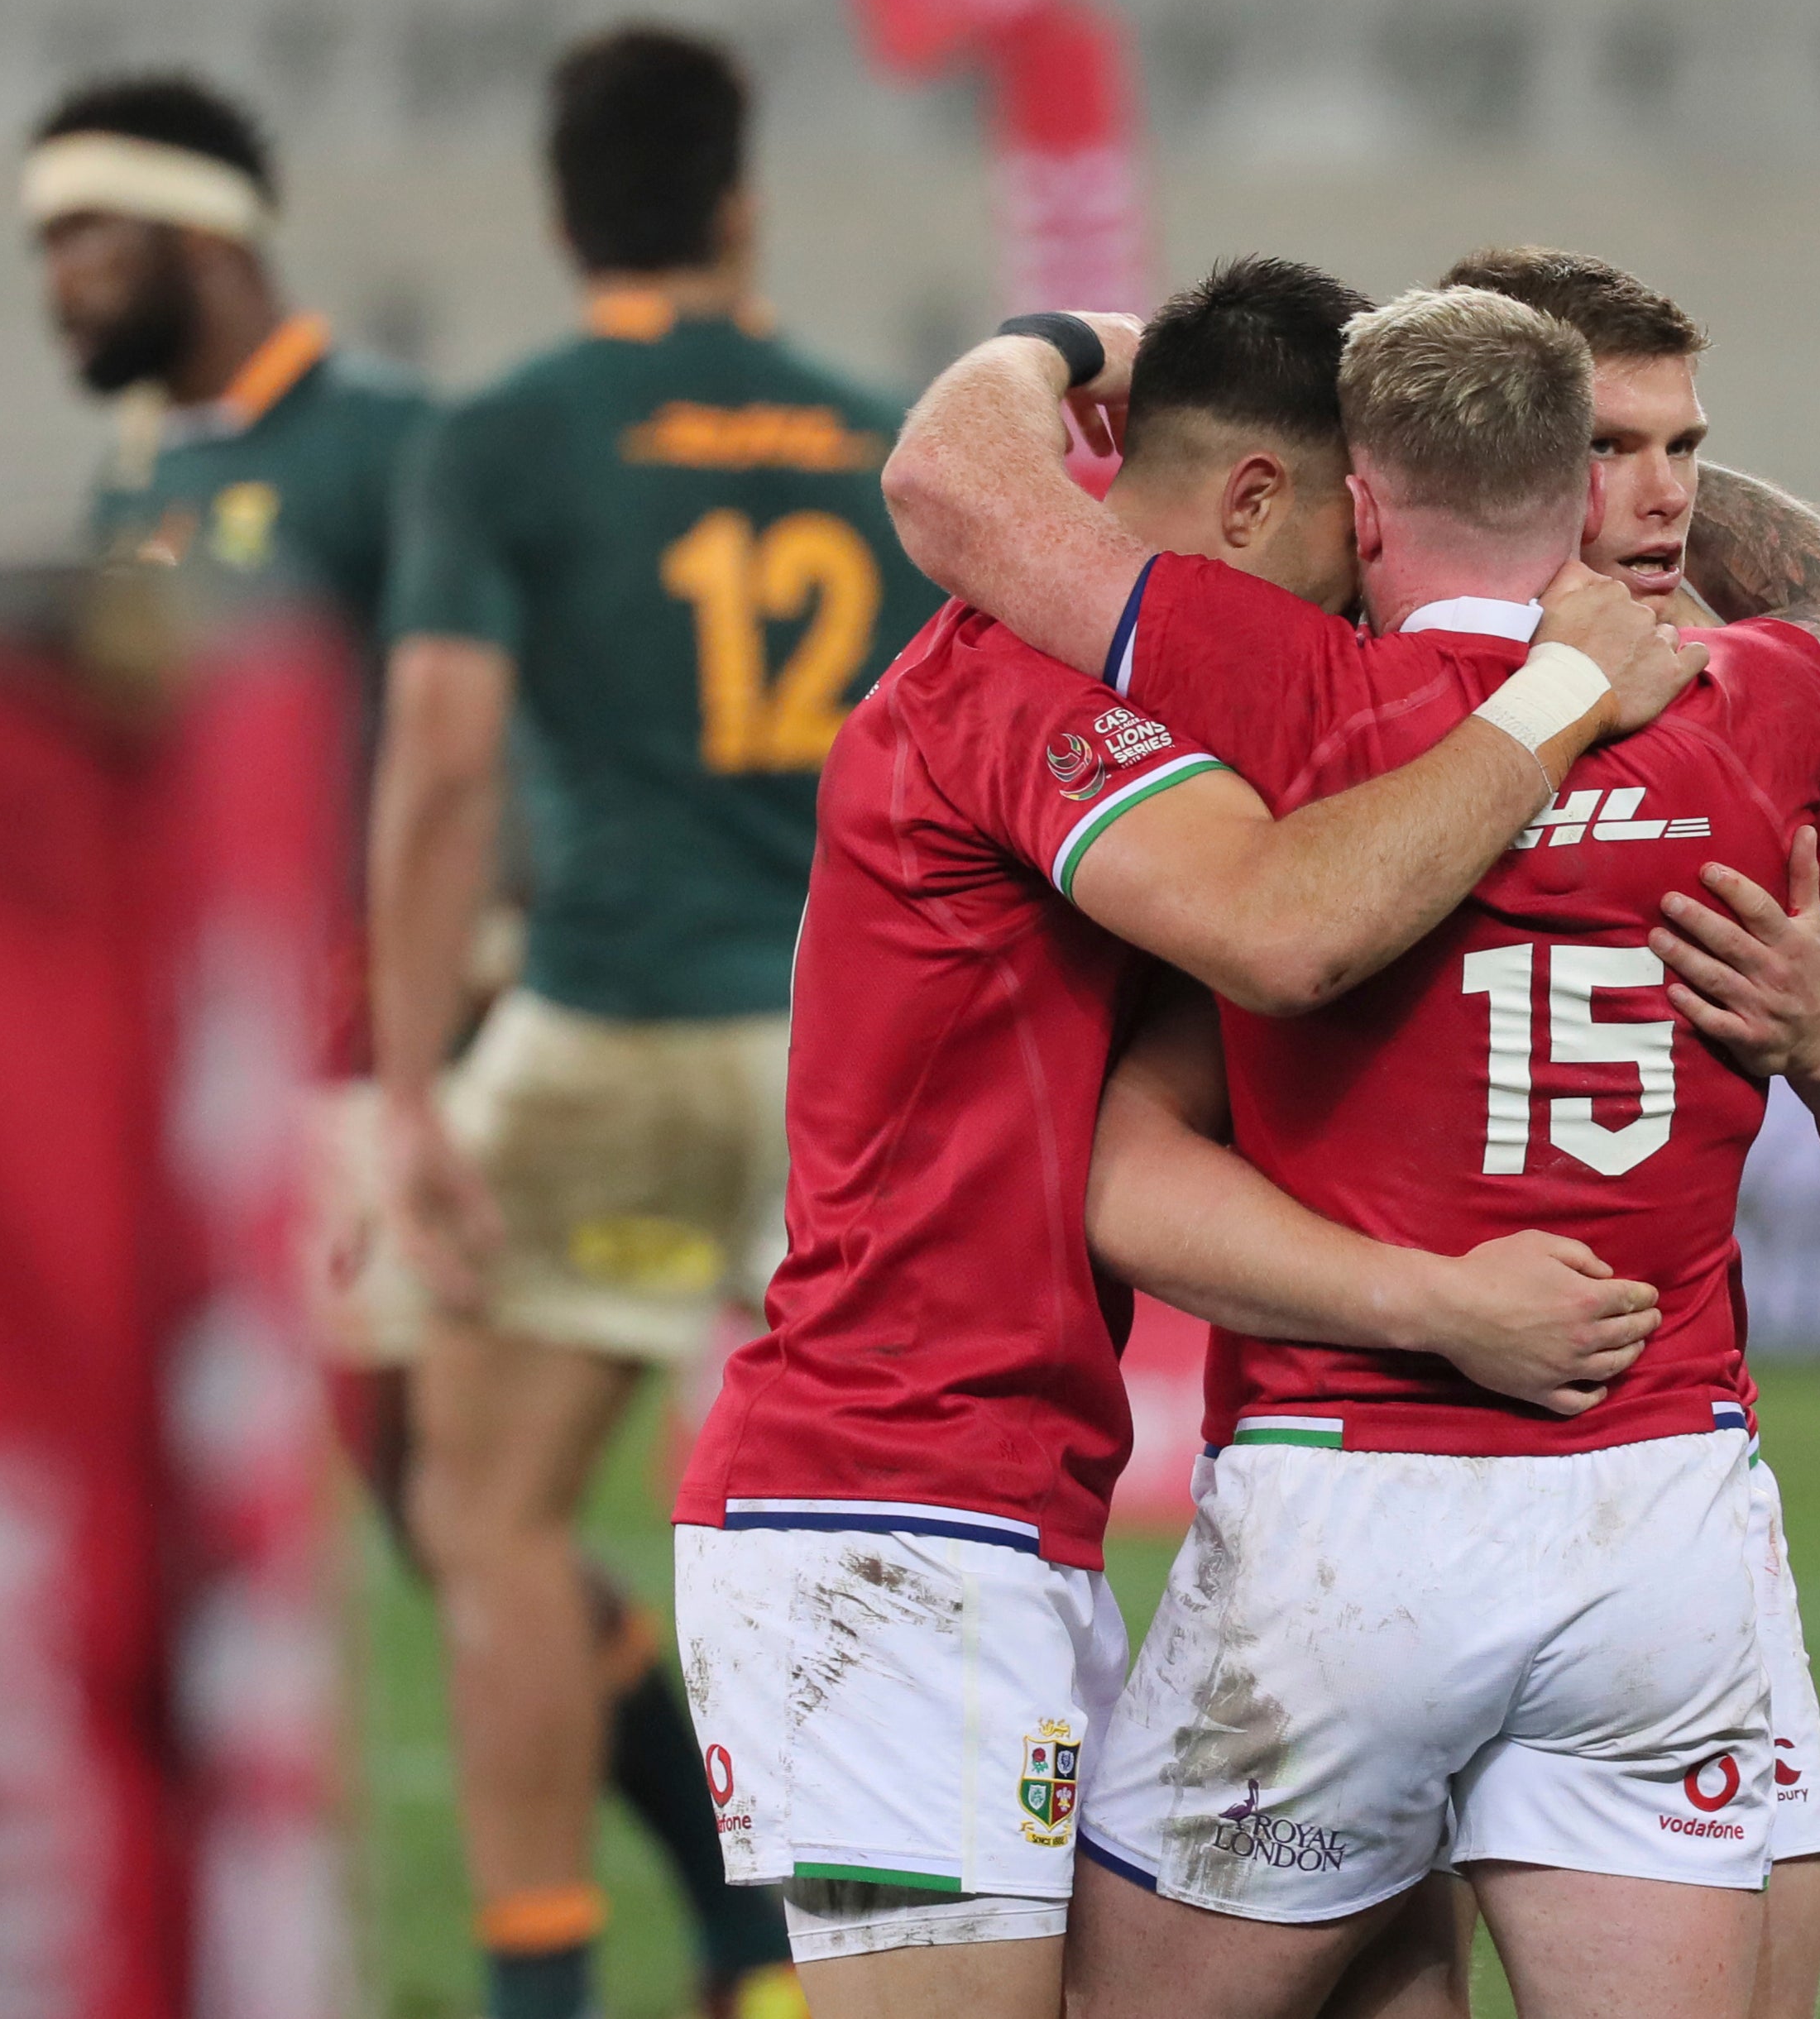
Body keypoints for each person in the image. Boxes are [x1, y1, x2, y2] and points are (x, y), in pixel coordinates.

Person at [892, 284, 1820, 2019]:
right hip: (1657, 1499)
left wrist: (1065, 344)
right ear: (1575, 495)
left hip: (1354, 1503)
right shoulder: (1764, 707)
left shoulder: (1286, 692)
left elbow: (965, 495)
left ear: (1368, 507)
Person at [673, 257, 1701, 2019]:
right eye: (1347, 546)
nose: (1354, 617)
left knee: (1377, 1959)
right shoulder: (1025, 685)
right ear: (1251, 500)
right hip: (882, 1518)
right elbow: (1284, 929)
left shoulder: (1088, 684)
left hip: (1000, 1495)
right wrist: (1550, 704)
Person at [27, 68, 795, 2019]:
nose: (56, 280)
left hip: (412, 1060)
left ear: (203, 233)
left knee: (469, 1518)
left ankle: (675, 1935)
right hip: (243, 1070)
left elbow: (490, 738)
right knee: (449, 1526)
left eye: (85, 237)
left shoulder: (392, 445)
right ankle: (730, 1917)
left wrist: (468, 1004)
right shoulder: (143, 476)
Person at [367, 26, 941, 2019]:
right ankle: (841, 1963)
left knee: (494, 1515)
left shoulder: (509, 434)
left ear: (559, 216)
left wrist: (406, 1079)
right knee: (879, 1536)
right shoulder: (877, 442)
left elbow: (445, 763)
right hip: (833, 1067)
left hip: (604, 1028)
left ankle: (548, 1990)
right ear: (736, 205)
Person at [1425, 242, 1820, 2019]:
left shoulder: (1756, 728)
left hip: (1666, 1505)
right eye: (1605, 446)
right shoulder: (1335, 691)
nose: (1661, 498)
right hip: (1364, 1493)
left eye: (1685, 449)